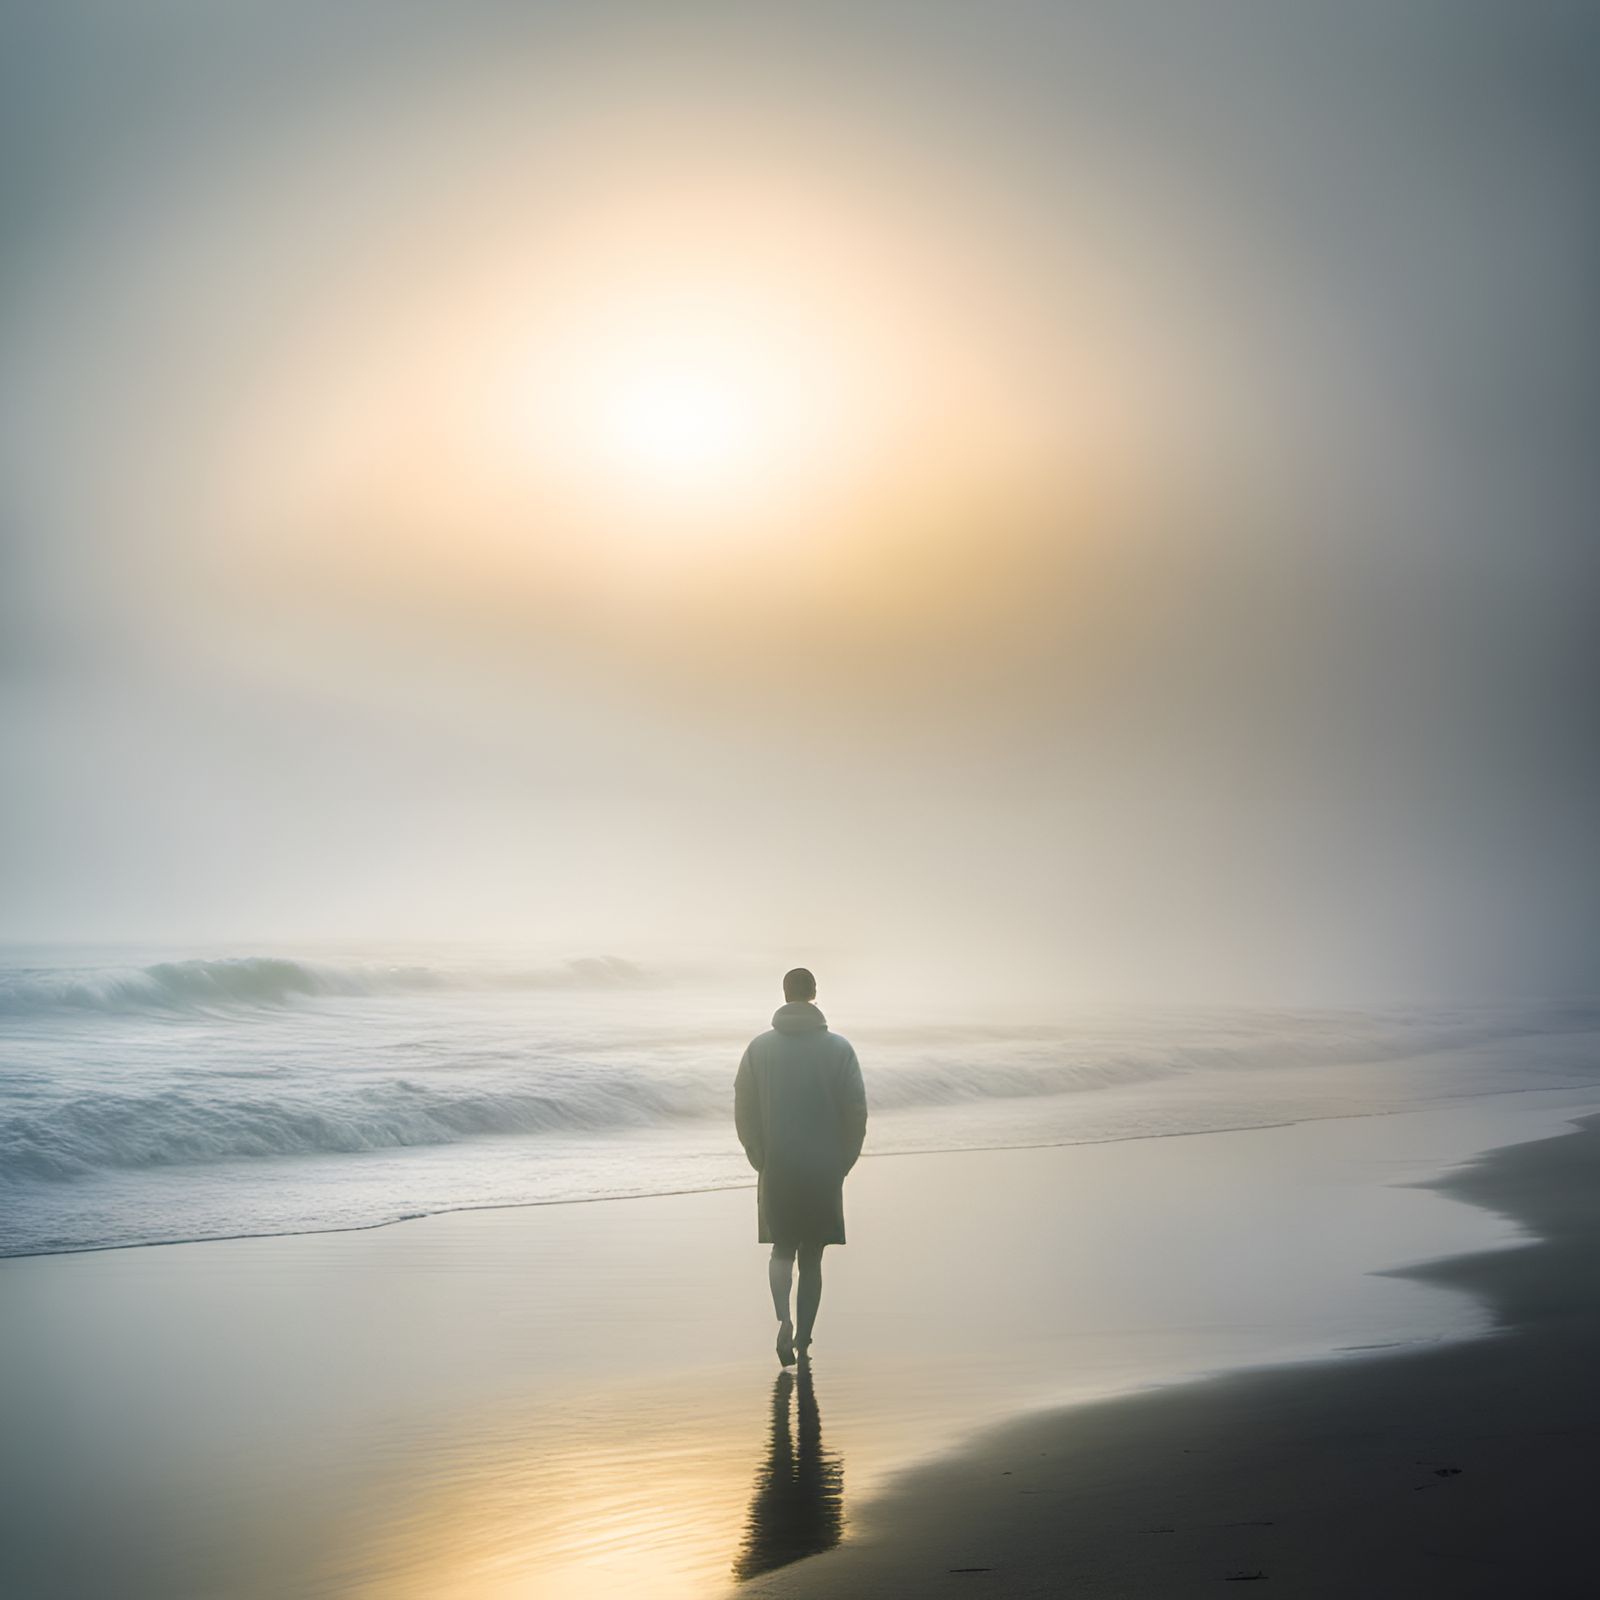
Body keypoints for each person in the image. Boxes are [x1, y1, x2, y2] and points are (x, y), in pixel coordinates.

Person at [734, 968, 867, 1365]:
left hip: (777, 1164)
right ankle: (805, 1339)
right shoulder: (839, 1048)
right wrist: (844, 1161)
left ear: (785, 993)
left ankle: (783, 1320)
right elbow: (856, 1111)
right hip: (823, 1167)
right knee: (812, 1257)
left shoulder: (759, 1049)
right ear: (814, 993)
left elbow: (743, 1108)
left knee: (782, 1248)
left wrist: (758, 1155)